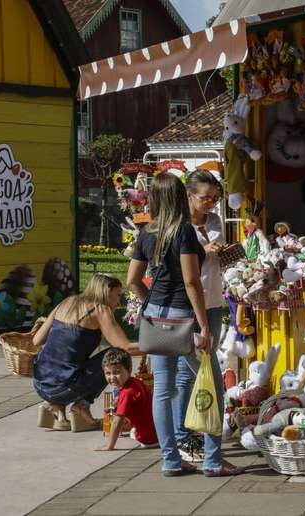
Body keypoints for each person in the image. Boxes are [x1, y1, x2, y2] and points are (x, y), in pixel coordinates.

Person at [127, 172, 240, 477]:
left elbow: (132, 280)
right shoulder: (184, 232)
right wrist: (204, 325)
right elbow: (191, 282)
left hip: (157, 319)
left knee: (163, 390)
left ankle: (171, 460)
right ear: (180, 196)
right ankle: (213, 460)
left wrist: (151, 303)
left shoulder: (148, 233)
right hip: (185, 317)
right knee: (212, 384)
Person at [172, 170, 230, 462]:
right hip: (188, 304)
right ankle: (208, 451)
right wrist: (203, 250)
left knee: (188, 373)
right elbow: (185, 271)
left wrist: (224, 252)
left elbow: (215, 260)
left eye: (214, 198)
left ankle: (185, 435)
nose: (210, 203)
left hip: (213, 300)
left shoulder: (215, 221)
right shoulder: (180, 227)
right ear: (188, 196)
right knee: (207, 374)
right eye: (204, 198)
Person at [33, 273, 138, 432]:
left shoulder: (67, 301)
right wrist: (160, 345)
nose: (118, 301)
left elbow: (37, 340)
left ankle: (56, 407)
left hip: (40, 383)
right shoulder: (100, 309)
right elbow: (126, 347)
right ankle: (82, 407)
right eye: (117, 295)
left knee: (74, 365)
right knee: (115, 356)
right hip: (64, 388)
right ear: (106, 292)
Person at [95, 348, 158, 450]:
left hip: (148, 439)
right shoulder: (136, 382)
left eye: (117, 372)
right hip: (157, 432)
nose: (112, 377)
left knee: (129, 430)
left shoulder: (127, 392)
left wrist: (109, 446)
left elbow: (117, 421)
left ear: (129, 370)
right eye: (108, 373)